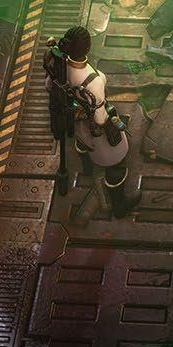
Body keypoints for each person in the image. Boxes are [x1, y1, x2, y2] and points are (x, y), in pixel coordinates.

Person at [42, 27, 134, 216]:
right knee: (117, 164)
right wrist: (113, 120)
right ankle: (120, 206)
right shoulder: (94, 81)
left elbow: (49, 86)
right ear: (87, 48)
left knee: (82, 142)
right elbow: (100, 119)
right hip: (93, 129)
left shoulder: (58, 64)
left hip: (74, 123)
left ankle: (87, 168)